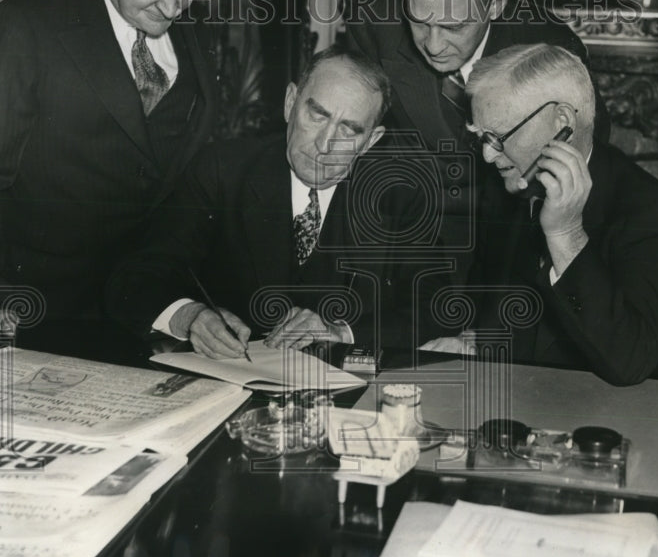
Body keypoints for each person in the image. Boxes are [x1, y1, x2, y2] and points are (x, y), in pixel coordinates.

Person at [0, 0, 217, 352]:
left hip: (153, 314)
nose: (174, 9)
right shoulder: (21, 26)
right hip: (40, 315)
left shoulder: (193, 28)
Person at [106, 47, 445, 357]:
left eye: (349, 130)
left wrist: (340, 331)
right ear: (289, 103)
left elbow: (437, 306)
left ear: (371, 141)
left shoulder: (401, 196)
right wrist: (189, 316)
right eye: (317, 116)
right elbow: (136, 276)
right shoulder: (222, 171)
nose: (326, 144)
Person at [345, 0, 606, 276]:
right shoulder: (374, 23)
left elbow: (585, 173)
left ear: (496, 3)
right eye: (419, 21)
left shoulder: (551, 49)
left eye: (453, 27)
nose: (433, 46)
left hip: (513, 251)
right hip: (405, 240)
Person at [422, 43, 658, 386]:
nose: (489, 156)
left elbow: (630, 362)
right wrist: (476, 342)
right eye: (482, 138)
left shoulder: (655, 216)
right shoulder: (515, 183)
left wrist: (567, 235)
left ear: (562, 122)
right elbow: (498, 300)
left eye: (499, 137)